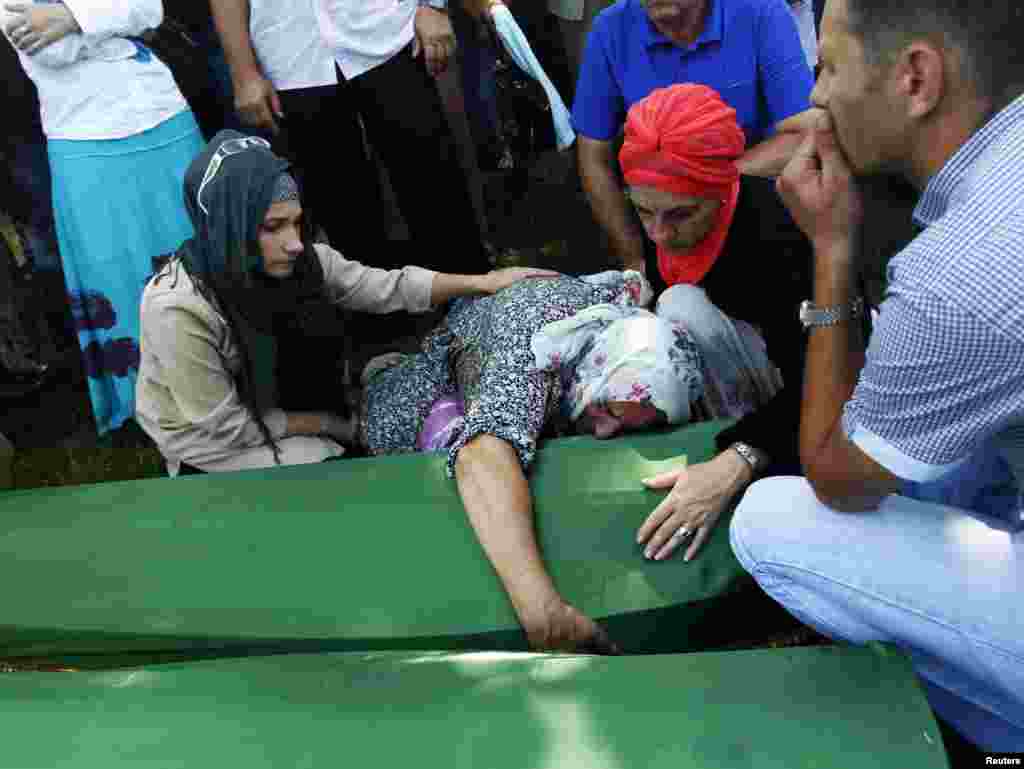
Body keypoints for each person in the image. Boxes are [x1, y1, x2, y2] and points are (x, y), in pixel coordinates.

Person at [727, 0, 1024, 750]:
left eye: (827, 66)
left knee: (766, 522)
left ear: (916, 78)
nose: (815, 98)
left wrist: (830, 252)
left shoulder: (957, 273)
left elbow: (837, 475)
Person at [136, 131, 551, 476]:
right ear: (228, 228)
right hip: (210, 440)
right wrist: (333, 426)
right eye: (272, 227)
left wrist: (484, 282)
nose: (295, 243)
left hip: (273, 407)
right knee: (326, 464)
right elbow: (223, 426)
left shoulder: (305, 263)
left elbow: (386, 287)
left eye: (297, 222)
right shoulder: (178, 309)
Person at [360, 269, 704, 653]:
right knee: (420, 438)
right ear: (595, 368)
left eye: (635, 425)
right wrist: (544, 611)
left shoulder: (628, 330)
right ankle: (374, 376)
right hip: (427, 381)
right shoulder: (533, 345)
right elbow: (481, 456)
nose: (605, 433)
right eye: (606, 408)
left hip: (499, 348)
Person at [596, 84, 810, 563]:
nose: (658, 234)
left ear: (720, 190)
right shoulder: (670, 220)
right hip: (753, 367)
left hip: (810, 384)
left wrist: (740, 459)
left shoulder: (781, 237)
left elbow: (825, 383)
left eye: (679, 214)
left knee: (680, 307)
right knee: (672, 308)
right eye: (643, 212)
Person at [3, 0, 204, 436]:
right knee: (117, 278)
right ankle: (154, 412)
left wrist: (71, 17)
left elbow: (150, 8)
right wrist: (108, 20)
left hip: (164, 114)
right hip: (83, 137)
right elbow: (52, 51)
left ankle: (220, 383)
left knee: (198, 264)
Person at [209, 0, 487, 273]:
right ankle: (384, 316)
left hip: (385, 28)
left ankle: (473, 299)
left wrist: (433, 6)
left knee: (434, 184)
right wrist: (243, 72)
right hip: (293, 55)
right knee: (343, 212)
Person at [572, 0, 813, 276]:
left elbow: (802, 134)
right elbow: (593, 155)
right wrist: (633, 256)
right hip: (661, 213)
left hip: (753, 206)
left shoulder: (761, 10)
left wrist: (698, 180)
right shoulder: (611, 28)